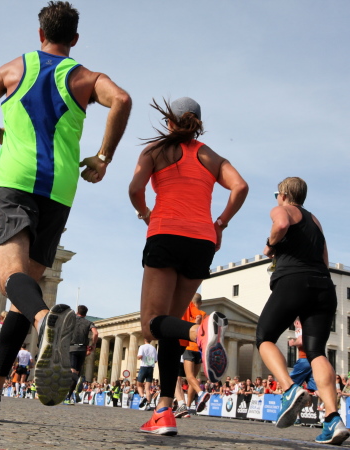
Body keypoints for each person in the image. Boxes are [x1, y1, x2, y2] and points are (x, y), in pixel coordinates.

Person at [0, 1, 131, 418]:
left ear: (40, 34)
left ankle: (45, 322)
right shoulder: (86, 78)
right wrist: (103, 157)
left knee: (12, 282)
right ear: (75, 38)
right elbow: (122, 100)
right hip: (59, 189)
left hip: (13, 181)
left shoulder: (12, 70)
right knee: (24, 293)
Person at [129, 97, 248, 435]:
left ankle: (199, 332)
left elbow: (135, 189)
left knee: (152, 325)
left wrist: (146, 214)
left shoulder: (154, 151)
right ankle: (164, 411)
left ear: (170, 121)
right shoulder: (209, 155)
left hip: (165, 233)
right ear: (197, 122)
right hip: (202, 242)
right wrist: (220, 223)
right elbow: (240, 186)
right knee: (171, 328)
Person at [256, 177, 349, 445]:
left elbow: (281, 224)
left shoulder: (282, 209)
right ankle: (333, 419)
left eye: (277, 194)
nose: (276, 198)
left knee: (264, 337)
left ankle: (289, 389)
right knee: (316, 351)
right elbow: (324, 258)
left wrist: (271, 245)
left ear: (284, 194)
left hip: (294, 281)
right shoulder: (315, 220)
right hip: (323, 286)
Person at [176, 293, 210, 418]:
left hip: (189, 347)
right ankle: (189, 406)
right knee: (193, 379)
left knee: (188, 377)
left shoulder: (189, 313)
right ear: (200, 303)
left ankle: (201, 393)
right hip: (200, 350)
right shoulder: (204, 315)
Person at [66, 305, 98, 404]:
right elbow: (95, 333)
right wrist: (93, 345)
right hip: (82, 349)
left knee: (72, 372)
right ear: (85, 314)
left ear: (77, 312)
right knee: (76, 372)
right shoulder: (89, 322)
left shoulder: (71, 321)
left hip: (72, 348)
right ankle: (68, 397)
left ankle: (78, 382)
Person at [136, 338, 157, 410]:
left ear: (144, 340)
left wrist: (138, 357)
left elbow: (140, 356)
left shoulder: (142, 347)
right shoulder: (154, 348)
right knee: (147, 388)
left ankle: (142, 397)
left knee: (139, 385)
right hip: (151, 368)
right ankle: (148, 404)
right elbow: (155, 360)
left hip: (143, 367)